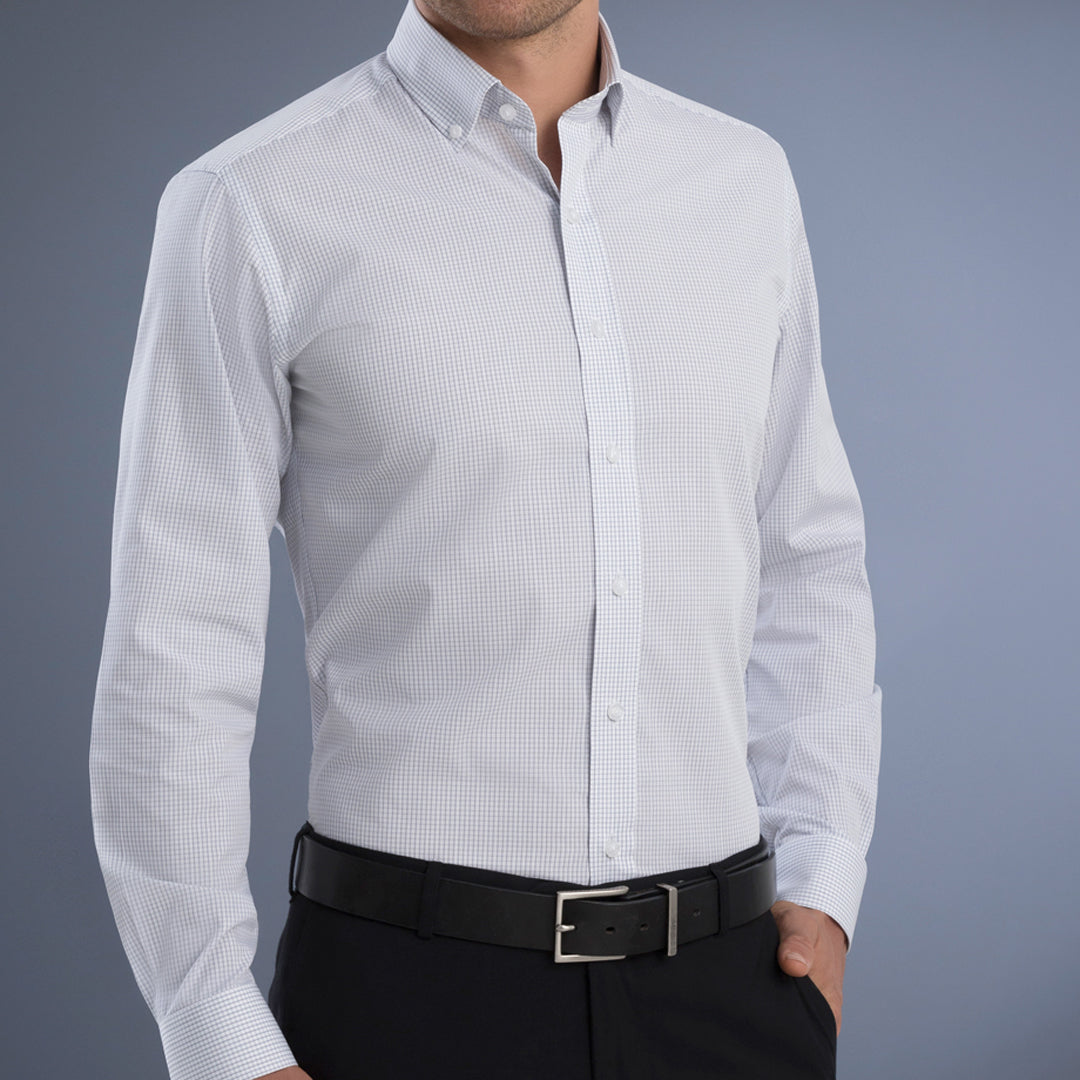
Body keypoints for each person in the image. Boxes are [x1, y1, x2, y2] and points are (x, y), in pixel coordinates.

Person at [88, 1, 882, 1077]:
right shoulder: (251, 203)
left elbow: (806, 555)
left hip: (730, 992)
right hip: (409, 1003)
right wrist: (215, 1031)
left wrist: (825, 880)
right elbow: (175, 638)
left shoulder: (743, 181)